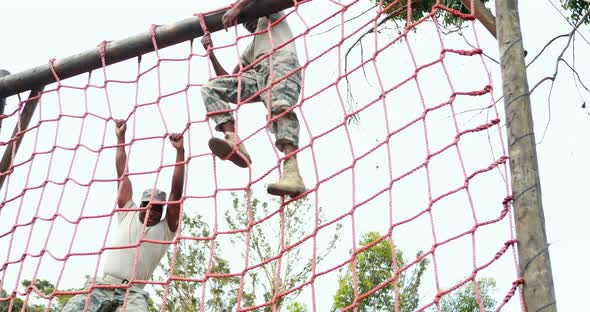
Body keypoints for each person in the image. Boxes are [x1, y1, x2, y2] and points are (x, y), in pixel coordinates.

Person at [62, 119, 185, 311]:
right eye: (148, 206)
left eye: (157, 209)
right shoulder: (128, 211)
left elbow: (176, 192)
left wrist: (180, 152)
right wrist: (120, 137)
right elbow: (122, 173)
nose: (152, 212)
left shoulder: (165, 230)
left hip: (132, 293)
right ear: (141, 205)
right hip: (103, 285)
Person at [200, 0, 306, 197]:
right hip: (259, 77)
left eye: (249, 17)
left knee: (279, 107)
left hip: (281, 63)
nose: (247, 23)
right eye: (244, 22)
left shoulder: (272, 15)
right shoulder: (251, 49)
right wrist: (211, 54)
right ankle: (234, 141)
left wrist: (238, 7)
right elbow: (229, 79)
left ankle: (293, 173)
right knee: (211, 88)